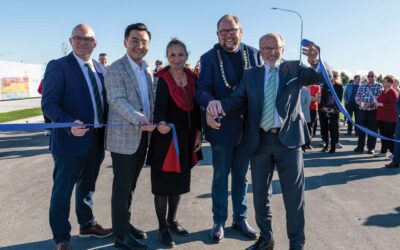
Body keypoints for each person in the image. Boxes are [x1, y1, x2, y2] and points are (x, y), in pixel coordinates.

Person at [207, 33, 321, 250]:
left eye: (276, 47)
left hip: (288, 142)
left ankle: (296, 245)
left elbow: (319, 78)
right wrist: (215, 107)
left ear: (283, 49)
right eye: (266, 48)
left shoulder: (294, 69)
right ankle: (266, 239)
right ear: (259, 51)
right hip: (259, 142)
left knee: (293, 199)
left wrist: (315, 61)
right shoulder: (251, 75)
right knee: (260, 197)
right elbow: (235, 98)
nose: (271, 52)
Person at [41, 24, 112, 250]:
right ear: (71, 41)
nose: (82, 42)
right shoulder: (58, 66)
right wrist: (68, 123)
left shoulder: (101, 69)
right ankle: (62, 238)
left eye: (87, 39)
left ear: (95, 42)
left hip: (95, 140)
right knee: (62, 191)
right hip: (68, 141)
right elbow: (49, 104)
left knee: (87, 187)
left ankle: (87, 224)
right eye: (77, 38)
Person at [195, 14, 262, 243]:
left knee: (242, 178)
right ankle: (219, 220)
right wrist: (208, 103)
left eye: (232, 30)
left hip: (248, 128)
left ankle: (240, 218)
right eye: (223, 31)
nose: (228, 35)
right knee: (220, 177)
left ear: (241, 31)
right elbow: (201, 89)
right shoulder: (208, 58)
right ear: (217, 35)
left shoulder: (254, 55)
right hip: (221, 127)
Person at [146, 38, 203, 248]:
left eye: (180, 54)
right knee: (162, 187)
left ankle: (172, 220)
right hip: (166, 139)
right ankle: (162, 227)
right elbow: (159, 106)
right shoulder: (163, 79)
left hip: (187, 138)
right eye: (172, 55)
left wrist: (198, 133)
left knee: (178, 185)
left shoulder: (192, 78)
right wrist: (160, 122)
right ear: (167, 57)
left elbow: (196, 109)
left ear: (186, 56)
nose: (177, 59)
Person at [104, 23, 155, 250]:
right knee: (122, 187)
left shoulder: (147, 70)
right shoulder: (115, 69)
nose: (139, 45)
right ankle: (121, 236)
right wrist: (140, 118)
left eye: (144, 41)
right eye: (134, 40)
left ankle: (124, 224)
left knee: (131, 186)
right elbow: (116, 101)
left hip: (143, 137)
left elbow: (150, 102)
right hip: (124, 139)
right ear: (125, 42)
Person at [354, 71, 383, 154]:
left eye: (372, 76)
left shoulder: (379, 86)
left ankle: (371, 148)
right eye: (369, 76)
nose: (370, 77)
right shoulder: (362, 86)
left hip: (373, 111)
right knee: (360, 129)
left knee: (373, 130)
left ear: (375, 77)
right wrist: (362, 104)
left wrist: (371, 104)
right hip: (362, 110)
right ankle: (360, 146)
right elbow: (357, 97)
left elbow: (380, 98)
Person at [319, 71, 343, 153]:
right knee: (324, 128)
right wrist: (324, 107)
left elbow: (339, 99)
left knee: (333, 129)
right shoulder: (326, 85)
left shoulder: (339, 86)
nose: (331, 77)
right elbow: (322, 98)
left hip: (334, 110)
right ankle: (326, 145)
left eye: (334, 75)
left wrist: (333, 109)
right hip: (324, 109)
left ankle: (333, 146)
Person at [375, 75, 398, 158]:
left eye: (384, 81)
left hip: (390, 119)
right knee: (383, 136)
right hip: (381, 118)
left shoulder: (393, 92)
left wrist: (381, 104)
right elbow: (380, 101)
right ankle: (383, 152)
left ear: (390, 83)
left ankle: (395, 153)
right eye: (383, 81)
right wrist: (376, 102)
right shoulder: (382, 91)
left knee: (389, 136)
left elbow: (394, 106)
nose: (383, 82)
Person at [300, 86, 311, 152]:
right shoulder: (293, 88)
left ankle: (304, 145)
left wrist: (300, 110)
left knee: (304, 130)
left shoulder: (306, 90)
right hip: (294, 114)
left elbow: (308, 102)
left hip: (304, 113)